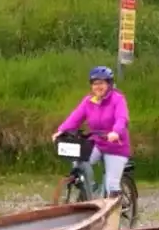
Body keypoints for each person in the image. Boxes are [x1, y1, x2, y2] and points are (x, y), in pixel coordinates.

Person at [52, 66, 132, 198]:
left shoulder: (118, 99)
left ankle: (114, 212)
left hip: (116, 146)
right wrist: (61, 131)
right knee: (80, 161)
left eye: (101, 83)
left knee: (112, 185)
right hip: (97, 143)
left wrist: (116, 132)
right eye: (95, 83)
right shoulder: (88, 101)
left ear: (109, 84)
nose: (97, 87)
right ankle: (92, 189)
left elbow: (122, 118)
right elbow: (75, 117)